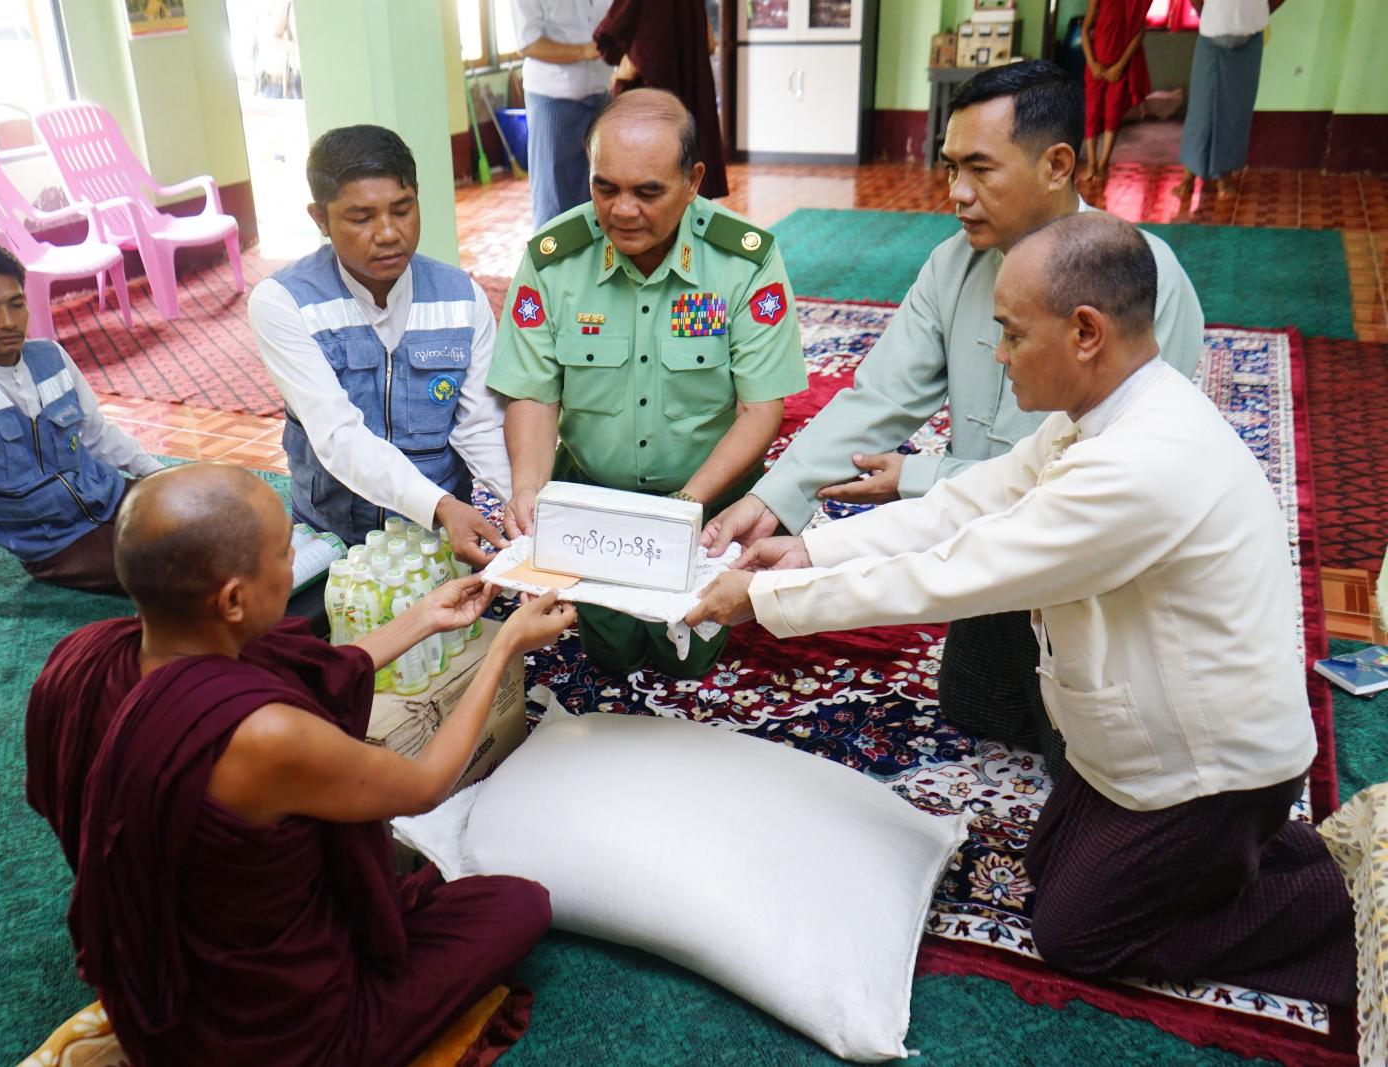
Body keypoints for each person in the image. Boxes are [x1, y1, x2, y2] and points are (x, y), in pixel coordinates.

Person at [687, 212, 1355, 1006]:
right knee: (1051, 863)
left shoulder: (1142, 462)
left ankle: (1335, 908)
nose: (998, 355)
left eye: (1011, 333)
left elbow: (959, 573)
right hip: (1157, 741)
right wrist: (810, 551)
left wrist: (766, 599)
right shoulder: (1107, 412)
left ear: (1085, 332)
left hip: (1212, 769)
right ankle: (1251, 854)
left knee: (1076, 932)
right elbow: (972, 501)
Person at [702, 60, 1205, 775]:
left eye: (980, 168)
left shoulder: (1140, 281)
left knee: (1097, 760)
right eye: (950, 168)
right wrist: (773, 500)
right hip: (980, 536)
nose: (957, 193)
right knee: (975, 706)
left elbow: (1080, 493)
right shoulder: (954, 264)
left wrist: (916, 479)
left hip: (1092, 573)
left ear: (1057, 165)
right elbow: (879, 397)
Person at [59, 462, 574, 1064]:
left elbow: (316, 673)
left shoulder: (85, 665)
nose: (296, 563)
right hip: (269, 1026)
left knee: (419, 878)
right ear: (233, 599)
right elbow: (426, 785)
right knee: (517, 905)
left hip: (158, 959)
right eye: (284, 553)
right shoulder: (266, 735)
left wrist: (422, 618)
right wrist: (504, 646)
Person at [488, 88, 808, 679]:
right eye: (605, 187)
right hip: (595, 497)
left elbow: (761, 408)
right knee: (610, 653)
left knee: (685, 658)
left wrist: (684, 510)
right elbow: (533, 392)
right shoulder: (554, 258)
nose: (622, 210)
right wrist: (530, 488)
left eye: (648, 192)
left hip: (706, 499)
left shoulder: (743, 261)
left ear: (693, 181)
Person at [249, 125, 511, 564]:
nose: (389, 233)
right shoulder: (284, 303)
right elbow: (339, 436)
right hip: (333, 537)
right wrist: (440, 505)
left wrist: (523, 505)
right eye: (361, 218)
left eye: (402, 210)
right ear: (320, 219)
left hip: (439, 536)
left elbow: (481, 427)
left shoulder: (461, 298)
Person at [0, 243, 163, 631]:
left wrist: (161, 478)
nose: (8, 321)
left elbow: (98, 434)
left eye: (16, 304)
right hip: (56, 541)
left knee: (209, 517)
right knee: (168, 566)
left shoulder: (51, 356)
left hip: (107, 494)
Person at [594, 0, 728, 198]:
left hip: (651, 106)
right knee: (686, 183)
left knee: (649, 188)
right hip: (690, 93)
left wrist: (619, 75)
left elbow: (637, 56)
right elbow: (710, 44)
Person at [512, 0, 614, 229]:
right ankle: (554, 252)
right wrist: (583, 51)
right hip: (553, 97)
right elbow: (528, 43)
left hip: (602, 93)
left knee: (601, 193)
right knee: (555, 201)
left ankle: (597, 251)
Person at [1175, 0, 1287, 200]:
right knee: (1201, 109)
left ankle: (1224, 177)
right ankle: (1188, 177)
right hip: (1212, 36)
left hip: (1249, 38)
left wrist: (1256, 13)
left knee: (1236, 110)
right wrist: (1212, 15)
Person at [1079, 0, 1151, 184]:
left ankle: (1103, 163)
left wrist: (1119, 66)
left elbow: (1139, 32)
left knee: (1113, 115)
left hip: (1120, 69)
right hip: (1095, 66)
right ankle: (1091, 163)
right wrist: (1091, 63)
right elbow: (1085, 30)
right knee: (1092, 114)